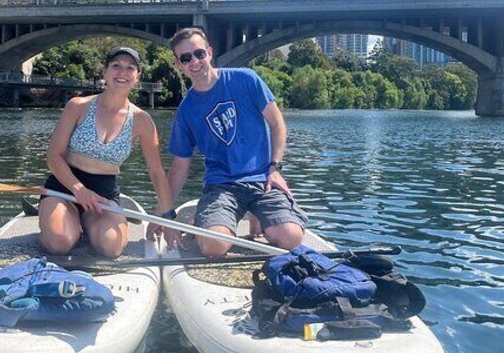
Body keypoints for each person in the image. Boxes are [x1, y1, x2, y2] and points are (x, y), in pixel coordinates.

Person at [155, 27, 308, 257]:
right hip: (221, 186)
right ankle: (207, 223)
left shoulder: (245, 79)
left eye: (199, 54)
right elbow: (179, 167)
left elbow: (277, 125)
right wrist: (164, 212)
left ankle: (257, 215)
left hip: (263, 179)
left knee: (291, 238)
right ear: (179, 64)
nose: (194, 62)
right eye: (185, 58)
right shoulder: (186, 112)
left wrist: (275, 168)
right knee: (214, 247)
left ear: (209, 52)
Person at [39, 46, 178, 258]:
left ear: (137, 76)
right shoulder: (78, 106)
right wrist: (79, 190)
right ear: (104, 71)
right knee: (60, 243)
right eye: (116, 66)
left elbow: (157, 173)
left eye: (130, 68)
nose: (122, 73)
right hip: (64, 188)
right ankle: (65, 223)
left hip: (103, 196)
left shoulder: (142, 121)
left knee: (111, 248)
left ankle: (84, 224)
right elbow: (53, 157)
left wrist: (167, 217)